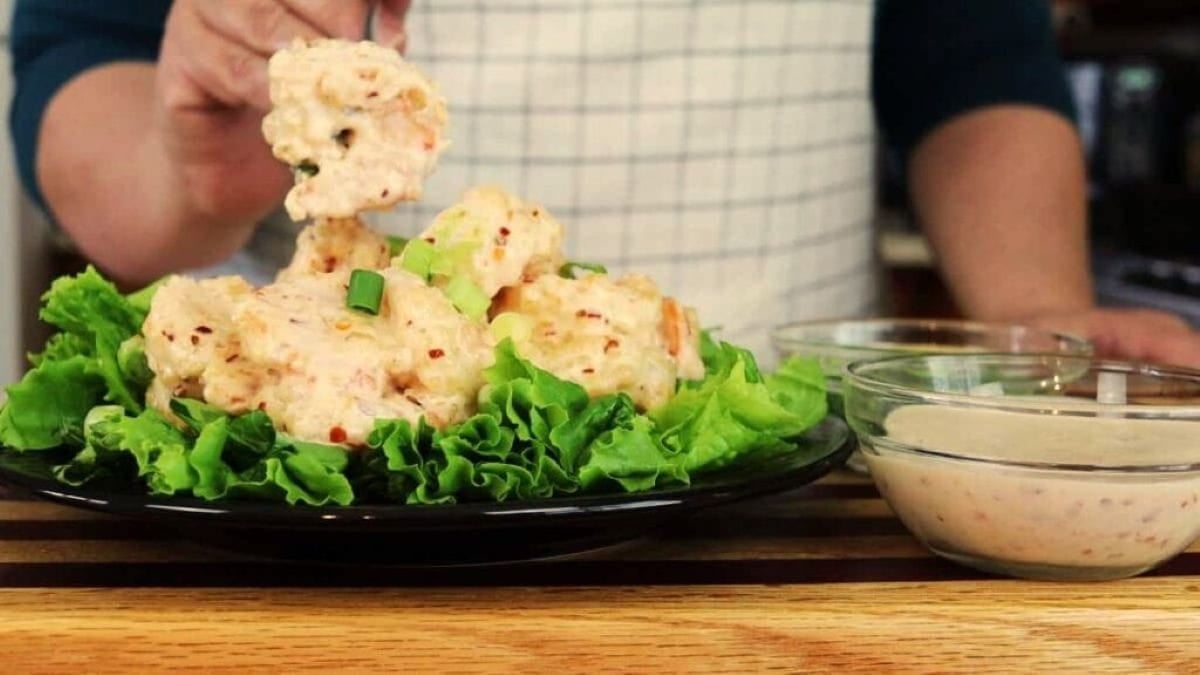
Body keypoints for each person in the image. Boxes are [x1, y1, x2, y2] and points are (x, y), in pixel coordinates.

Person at [10, 0, 1200, 365]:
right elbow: (77, 58)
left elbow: (969, 63)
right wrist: (192, 171)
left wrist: (1038, 305)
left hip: (790, 470)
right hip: (352, 495)